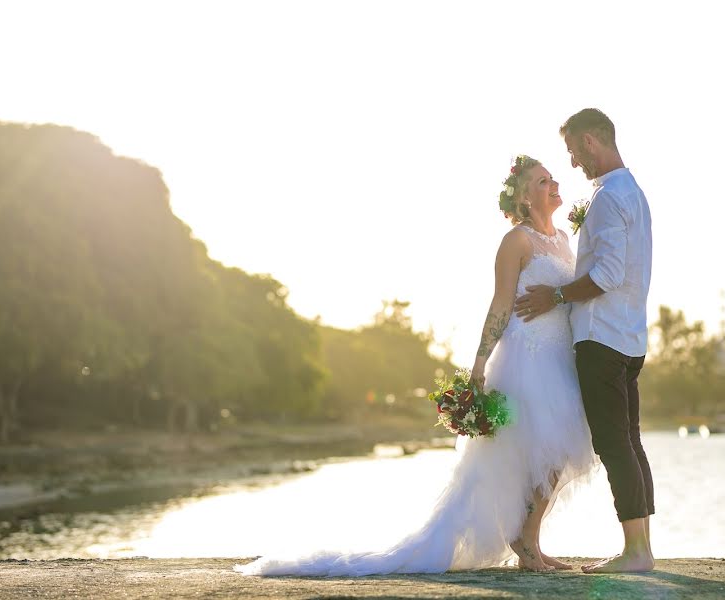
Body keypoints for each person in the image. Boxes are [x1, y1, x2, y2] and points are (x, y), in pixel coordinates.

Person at [234, 155, 599, 577]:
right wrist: (479, 361)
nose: (554, 185)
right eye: (542, 181)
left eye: (553, 179)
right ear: (522, 196)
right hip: (527, 355)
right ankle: (525, 542)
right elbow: (500, 303)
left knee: (556, 451)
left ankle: (529, 539)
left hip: (558, 354)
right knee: (540, 447)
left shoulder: (563, 241)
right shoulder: (516, 241)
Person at [515, 108, 655, 573]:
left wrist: (557, 294)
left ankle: (636, 553)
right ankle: (642, 549)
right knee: (629, 442)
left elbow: (609, 274)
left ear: (592, 142)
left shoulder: (610, 198)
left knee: (615, 444)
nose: (574, 162)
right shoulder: (631, 192)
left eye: (574, 151)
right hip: (629, 336)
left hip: (603, 337)